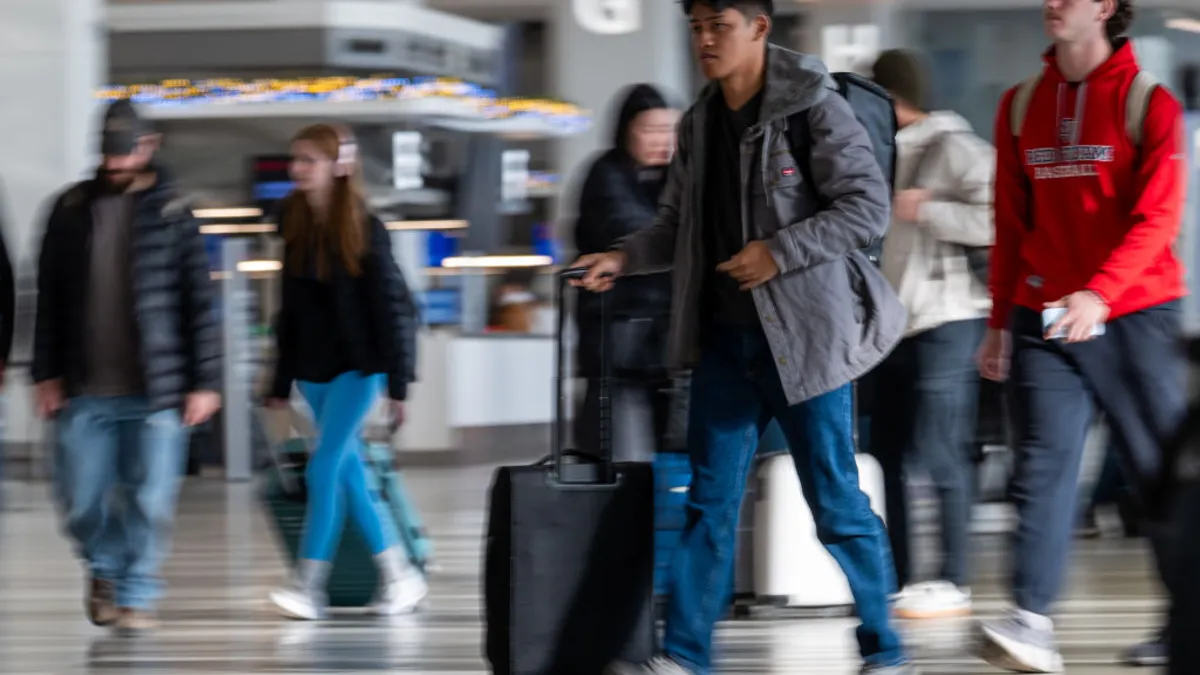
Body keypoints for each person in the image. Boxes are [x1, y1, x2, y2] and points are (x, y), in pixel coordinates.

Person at [572, 1, 914, 673]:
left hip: (809, 344)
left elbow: (866, 208)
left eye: (718, 26)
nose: (704, 40)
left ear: (759, 27)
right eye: (696, 27)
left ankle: (886, 646)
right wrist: (622, 255)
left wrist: (778, 252)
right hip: (727, 341)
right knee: (708, 501)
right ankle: (687, 653)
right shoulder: (699, 121)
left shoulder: (812, 104)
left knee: (836, 502)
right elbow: (676, 225)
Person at [977, 0, 1187, 671]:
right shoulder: (1019, 105)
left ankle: (1190, 620)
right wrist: (996, 323)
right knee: (1042, 462)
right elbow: (1010, 225)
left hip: (1135, 312)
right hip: (1044, 315)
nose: (1051, 5)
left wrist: (1103, 292)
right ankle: (1030, 618)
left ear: (1105, 8)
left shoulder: (1148, 101)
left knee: (1157, 476)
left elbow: (1159, 217)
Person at [32, 99, 223, 633]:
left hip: (156, 388)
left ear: (148, 146)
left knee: (149, 497)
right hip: (83, 387)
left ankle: (135, 593)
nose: (114, 166)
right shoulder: (68, 209)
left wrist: (206, 380)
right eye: (107, 157)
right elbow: (47, 297)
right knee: (81, 498)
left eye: (124, 155)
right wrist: (43, 371)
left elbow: (198, 303)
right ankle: (103, 569)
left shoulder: (174, 212)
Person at [265, 123, 425, 620]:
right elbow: (288, 314)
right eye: (296, 160)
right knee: (350, 475)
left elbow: (395, 308)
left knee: (325, 467)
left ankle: (308, 585)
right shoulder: (293, 227)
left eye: (309, 160)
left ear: (339, 166)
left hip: (360, 370)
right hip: (313, 374)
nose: (298, 170)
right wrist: (277, 381)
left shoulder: (364, 227)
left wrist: (398, 383)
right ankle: (401, 576)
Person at [867, 49, 994, 621]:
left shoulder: (956, 147)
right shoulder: (877, 154)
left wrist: (932, 209)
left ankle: (952, 577)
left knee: (941, 450)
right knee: (887, 452)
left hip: (949, 318)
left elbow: (1003, 218)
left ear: (894, 96)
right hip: (892, 326)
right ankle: (898, 575)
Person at [574, 83, 681, 461]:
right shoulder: (605, 175)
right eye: (650, 130)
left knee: (681, 457)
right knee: (623, 459)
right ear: (625, 131)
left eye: (670, 130)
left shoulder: (684, 177)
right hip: (619, 341)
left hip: (675, 341)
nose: (662, 141)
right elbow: (630, 231)